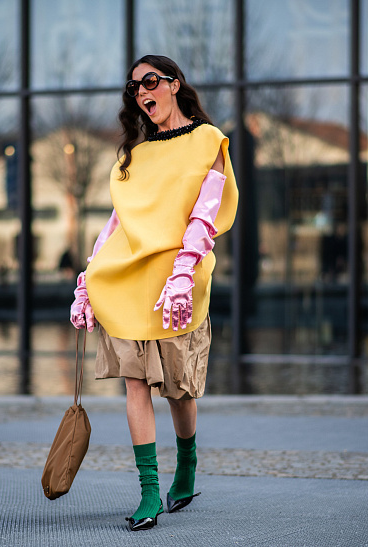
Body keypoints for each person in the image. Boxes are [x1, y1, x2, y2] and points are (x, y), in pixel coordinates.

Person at [70, 55, 238, 531]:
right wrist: (89, 280)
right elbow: (117, 224)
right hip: (127, 279)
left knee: (179, 390)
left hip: (177, 280)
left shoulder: (208, 140)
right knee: (135, 383)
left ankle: (187, 461)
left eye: (150, 81)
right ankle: (148, 491)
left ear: (174, 84)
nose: (142, 92)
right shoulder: (134, 157)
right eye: (134, 87)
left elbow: (205, 215)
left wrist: (184, 272)